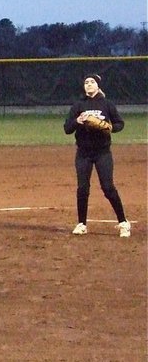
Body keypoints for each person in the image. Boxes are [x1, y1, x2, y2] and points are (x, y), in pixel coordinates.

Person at [63, 73, 130, 238]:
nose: (89, 84)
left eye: (92, 82)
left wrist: (110, 127)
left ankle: (123, 222)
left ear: (98, 86)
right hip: (83, 153)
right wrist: (77, 121)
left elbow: (120, 123)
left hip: (102, 152)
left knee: (108, 187)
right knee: (82, 189)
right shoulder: (78, 106)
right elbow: (67, 129)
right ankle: (82, 224)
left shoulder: (107, 105)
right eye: (86, 82)